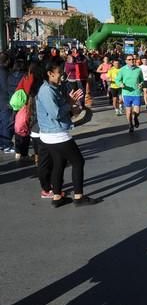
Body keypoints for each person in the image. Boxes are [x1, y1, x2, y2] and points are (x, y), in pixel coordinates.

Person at [37, 63, 99, 207]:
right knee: (78, 162)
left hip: (52, 133)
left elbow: (62, 109)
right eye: (59, 73)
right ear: (50, 73)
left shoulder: (54, 88)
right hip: (55, 134)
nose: (62, 76)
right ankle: (78, 197)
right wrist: (70, 104)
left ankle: (57, 197)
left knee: (59, 163)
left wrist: (71, 105)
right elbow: (56, 113)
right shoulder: (46, 91)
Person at [115, 55, 144, 133]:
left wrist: (141, 84)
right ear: (126, 61)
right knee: (129, 111)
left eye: (133, 59)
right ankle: (130, 124)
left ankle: (135, 118)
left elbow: (142, 80)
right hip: (126, 93)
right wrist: (120, 84)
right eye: (129, 59)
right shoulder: (122, 70)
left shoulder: (138, 69)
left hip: (137, 93)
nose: (131, 60)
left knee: (137, 111)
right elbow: (117, 80)